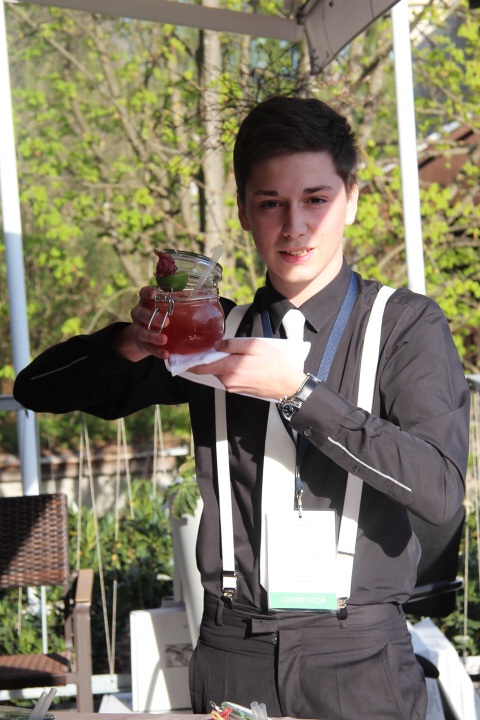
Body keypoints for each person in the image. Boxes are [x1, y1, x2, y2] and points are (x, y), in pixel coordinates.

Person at [13, 96, 470, 720]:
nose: (295, 227)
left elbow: (440, 492)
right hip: (234, 648)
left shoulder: (405, 325)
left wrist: (301, 394)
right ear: (244, 213)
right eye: (271, 203)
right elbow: (37, 389)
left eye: (316, 199)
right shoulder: (210, 333)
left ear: (352, 200)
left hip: (358, 656)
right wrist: (129, 341)